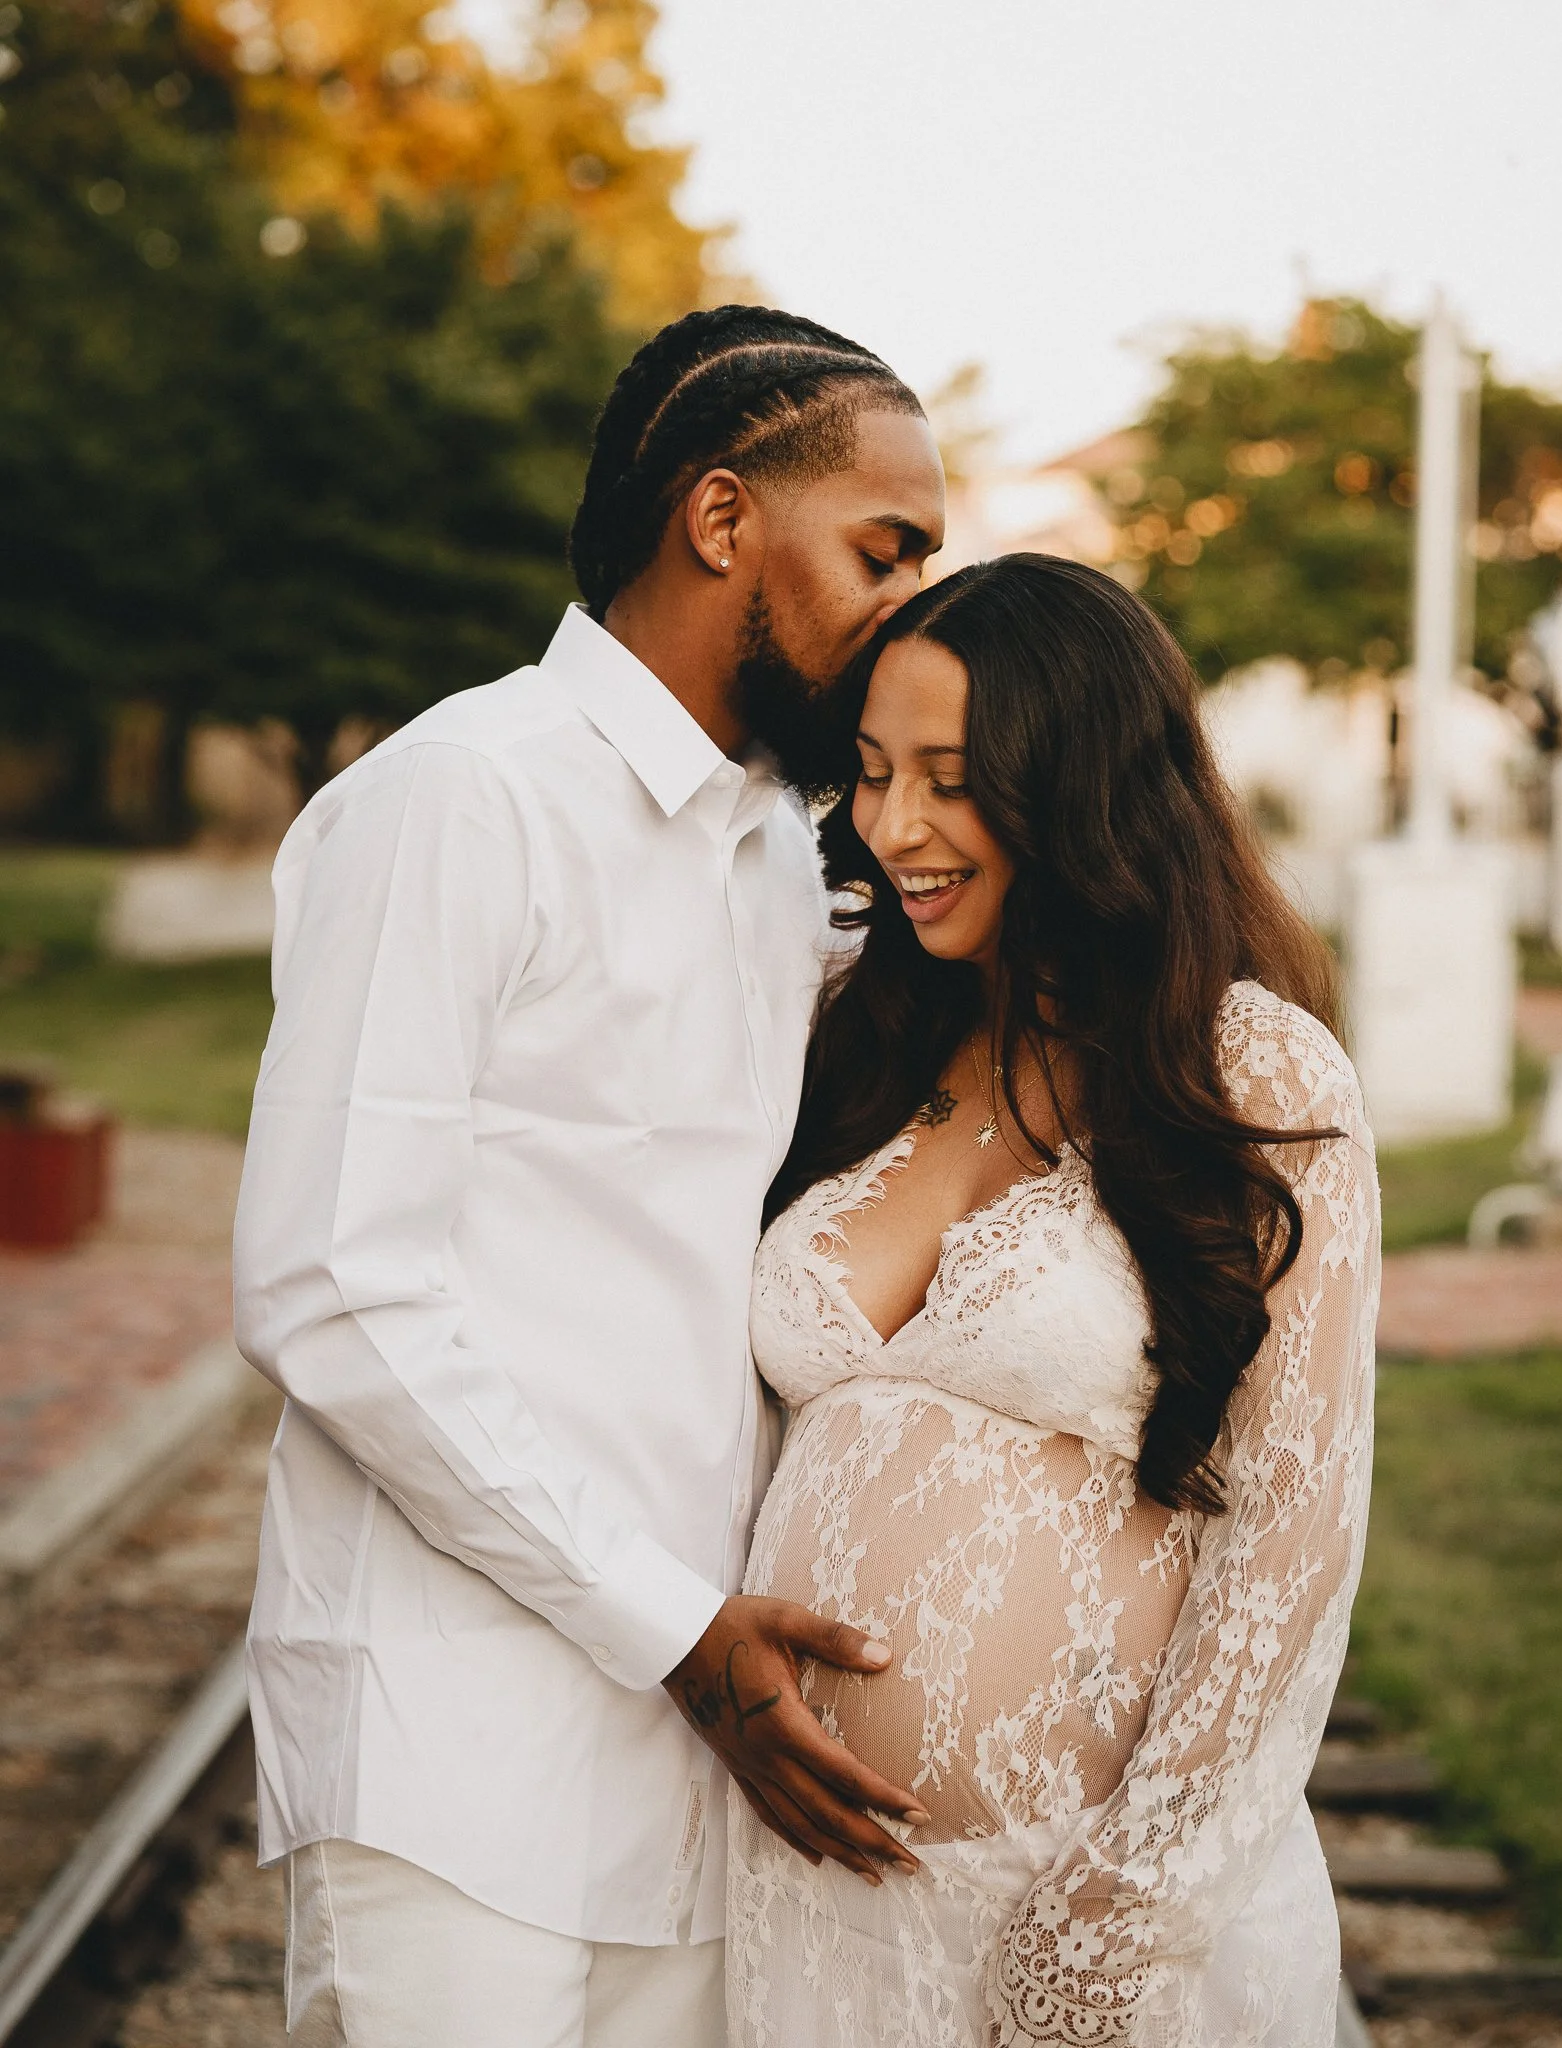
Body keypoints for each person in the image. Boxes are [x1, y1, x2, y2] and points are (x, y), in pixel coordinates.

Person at [232, 304, 947, 2048]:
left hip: (708, 1760)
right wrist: (674, 1626)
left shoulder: (790, 860)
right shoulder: (461, 799)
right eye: (886, 547)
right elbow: (329, 1282)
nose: (913, 604)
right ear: (721, 522)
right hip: (452, 1748)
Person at [728, 553, 1380, 2047]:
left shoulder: (1252, 1071)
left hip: (1084, 1916)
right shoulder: (852, 1035)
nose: (894, 829)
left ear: (1080, 787)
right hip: (803, 1899)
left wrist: (1121, 1914)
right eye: (875, 774)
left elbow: (1292, 1529)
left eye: (951, 781)